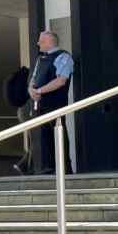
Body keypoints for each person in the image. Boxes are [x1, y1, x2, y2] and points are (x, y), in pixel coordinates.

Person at [28, 30, 74, 174]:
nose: (37, 44)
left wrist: (39, 91)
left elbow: (61, 80)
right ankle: (47, 168)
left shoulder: (64, 57)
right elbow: (33, 79)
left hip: (56, 105)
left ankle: (63, 170)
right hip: (40, 106)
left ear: (49, 41)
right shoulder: (40, 59)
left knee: (58, 135)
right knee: (43, 137)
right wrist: (31, 90)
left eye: (40, 41)